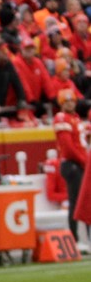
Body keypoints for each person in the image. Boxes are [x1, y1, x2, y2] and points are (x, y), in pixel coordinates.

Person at [53, 91, 87, 240]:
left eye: (72, 101)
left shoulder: (75, 118)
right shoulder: (62, 118)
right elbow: (68, 148)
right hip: (72, 164)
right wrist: (85, 162)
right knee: (76, 202)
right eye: (66, 102)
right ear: (61, 104)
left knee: (86, 202)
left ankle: (86, 237)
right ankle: (74, 238)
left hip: (80, 163)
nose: (70, 104)